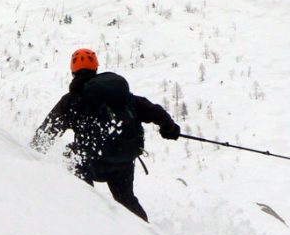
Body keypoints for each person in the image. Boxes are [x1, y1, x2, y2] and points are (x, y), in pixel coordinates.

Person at [31, 48, 180, 222]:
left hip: (91, 163)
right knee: (126, 199)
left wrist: (30, 154)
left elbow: (47, 132)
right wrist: (170, 129)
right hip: (123, 161)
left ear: (73, 71)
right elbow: (153, 110)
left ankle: (86, 214)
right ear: (95, 67)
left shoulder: (72, 100)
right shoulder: (121, 95)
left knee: (70, 154)